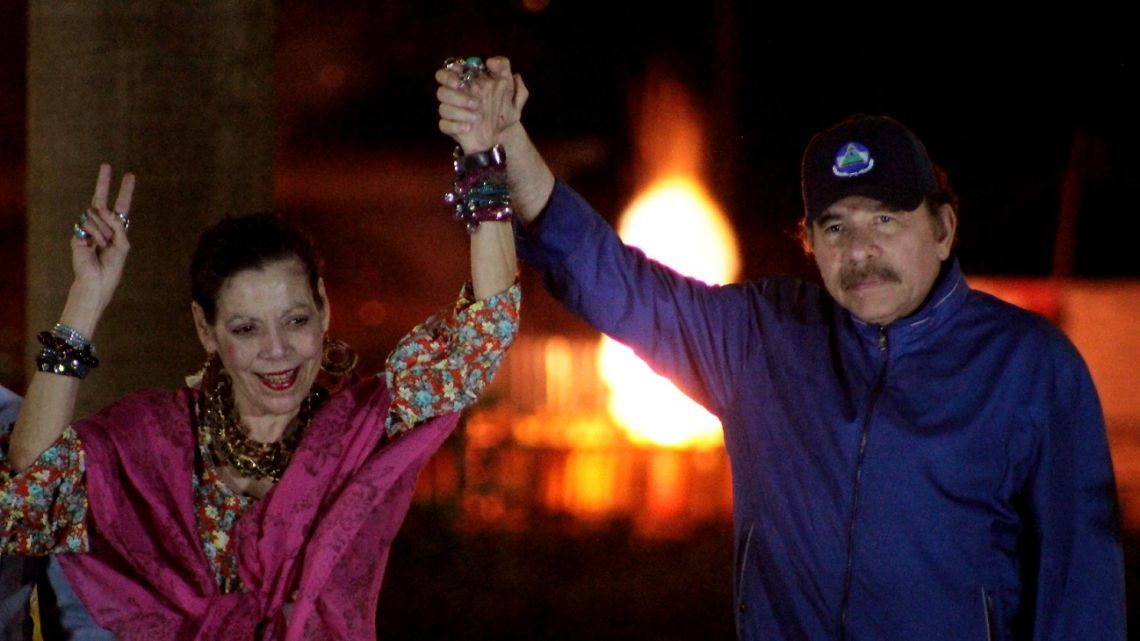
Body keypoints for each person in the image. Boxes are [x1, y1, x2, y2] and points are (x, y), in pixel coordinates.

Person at [436, 58, 1125, 640]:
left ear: (944, 228)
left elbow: (1082, 583)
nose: (861, 251)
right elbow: (610, 277)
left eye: (886, 220)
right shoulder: (764, 339)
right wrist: (506, 141)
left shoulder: (1029, 366)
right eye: (835, 227)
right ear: (811, 244)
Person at [0, 70, 519, 639]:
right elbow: (33, 487)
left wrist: (482, 160)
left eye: (295, 320)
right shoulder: (156, 437)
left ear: (324, 308)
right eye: (246, 329)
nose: (277, 352)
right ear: (207, 330)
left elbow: (482, 337)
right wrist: (86, 297)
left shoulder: (363, 429)